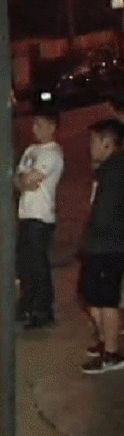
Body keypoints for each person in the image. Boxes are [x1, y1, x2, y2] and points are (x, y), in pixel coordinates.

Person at [79, 119, 124, 374]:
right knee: (91, 296)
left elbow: (104, 214)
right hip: (100, 245)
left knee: (106, 301)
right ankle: (105, 341)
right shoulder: (108, 169)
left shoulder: (114, 172)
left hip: (108, 246)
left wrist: (93, 235)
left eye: (94, 141)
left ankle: (112, 353)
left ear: (107, 144)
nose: (90, 146)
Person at [14, 110, 64, 329]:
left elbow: (30, 180)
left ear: (52, 127)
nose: (35, 129)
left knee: (38, 266)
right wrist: (23, 181)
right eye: (34, 125)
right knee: (25, 265)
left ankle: (42, 310)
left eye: (40, 125)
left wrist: (24, 180)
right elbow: (19, 181)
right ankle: (27, 304)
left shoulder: (52, 153)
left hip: (41, 216)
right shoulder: (31, 150)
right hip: (25, 214)